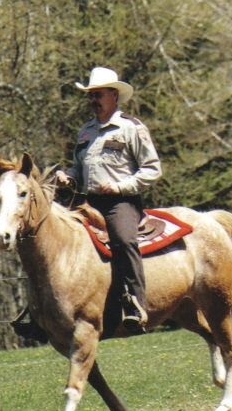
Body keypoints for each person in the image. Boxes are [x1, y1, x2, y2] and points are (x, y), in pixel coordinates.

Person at [54, 65, 163, 332]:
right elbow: (79, 169)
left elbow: (152, 170)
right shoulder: (85, 132)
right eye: (91, 96)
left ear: (114, 95)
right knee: (53, 236)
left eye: (98, 95)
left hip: (121, 203)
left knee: (124, 239)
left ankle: (137, 304)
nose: (93, 101)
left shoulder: (131, 128)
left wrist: (119, 187)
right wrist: (68, 176)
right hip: (89, 203)